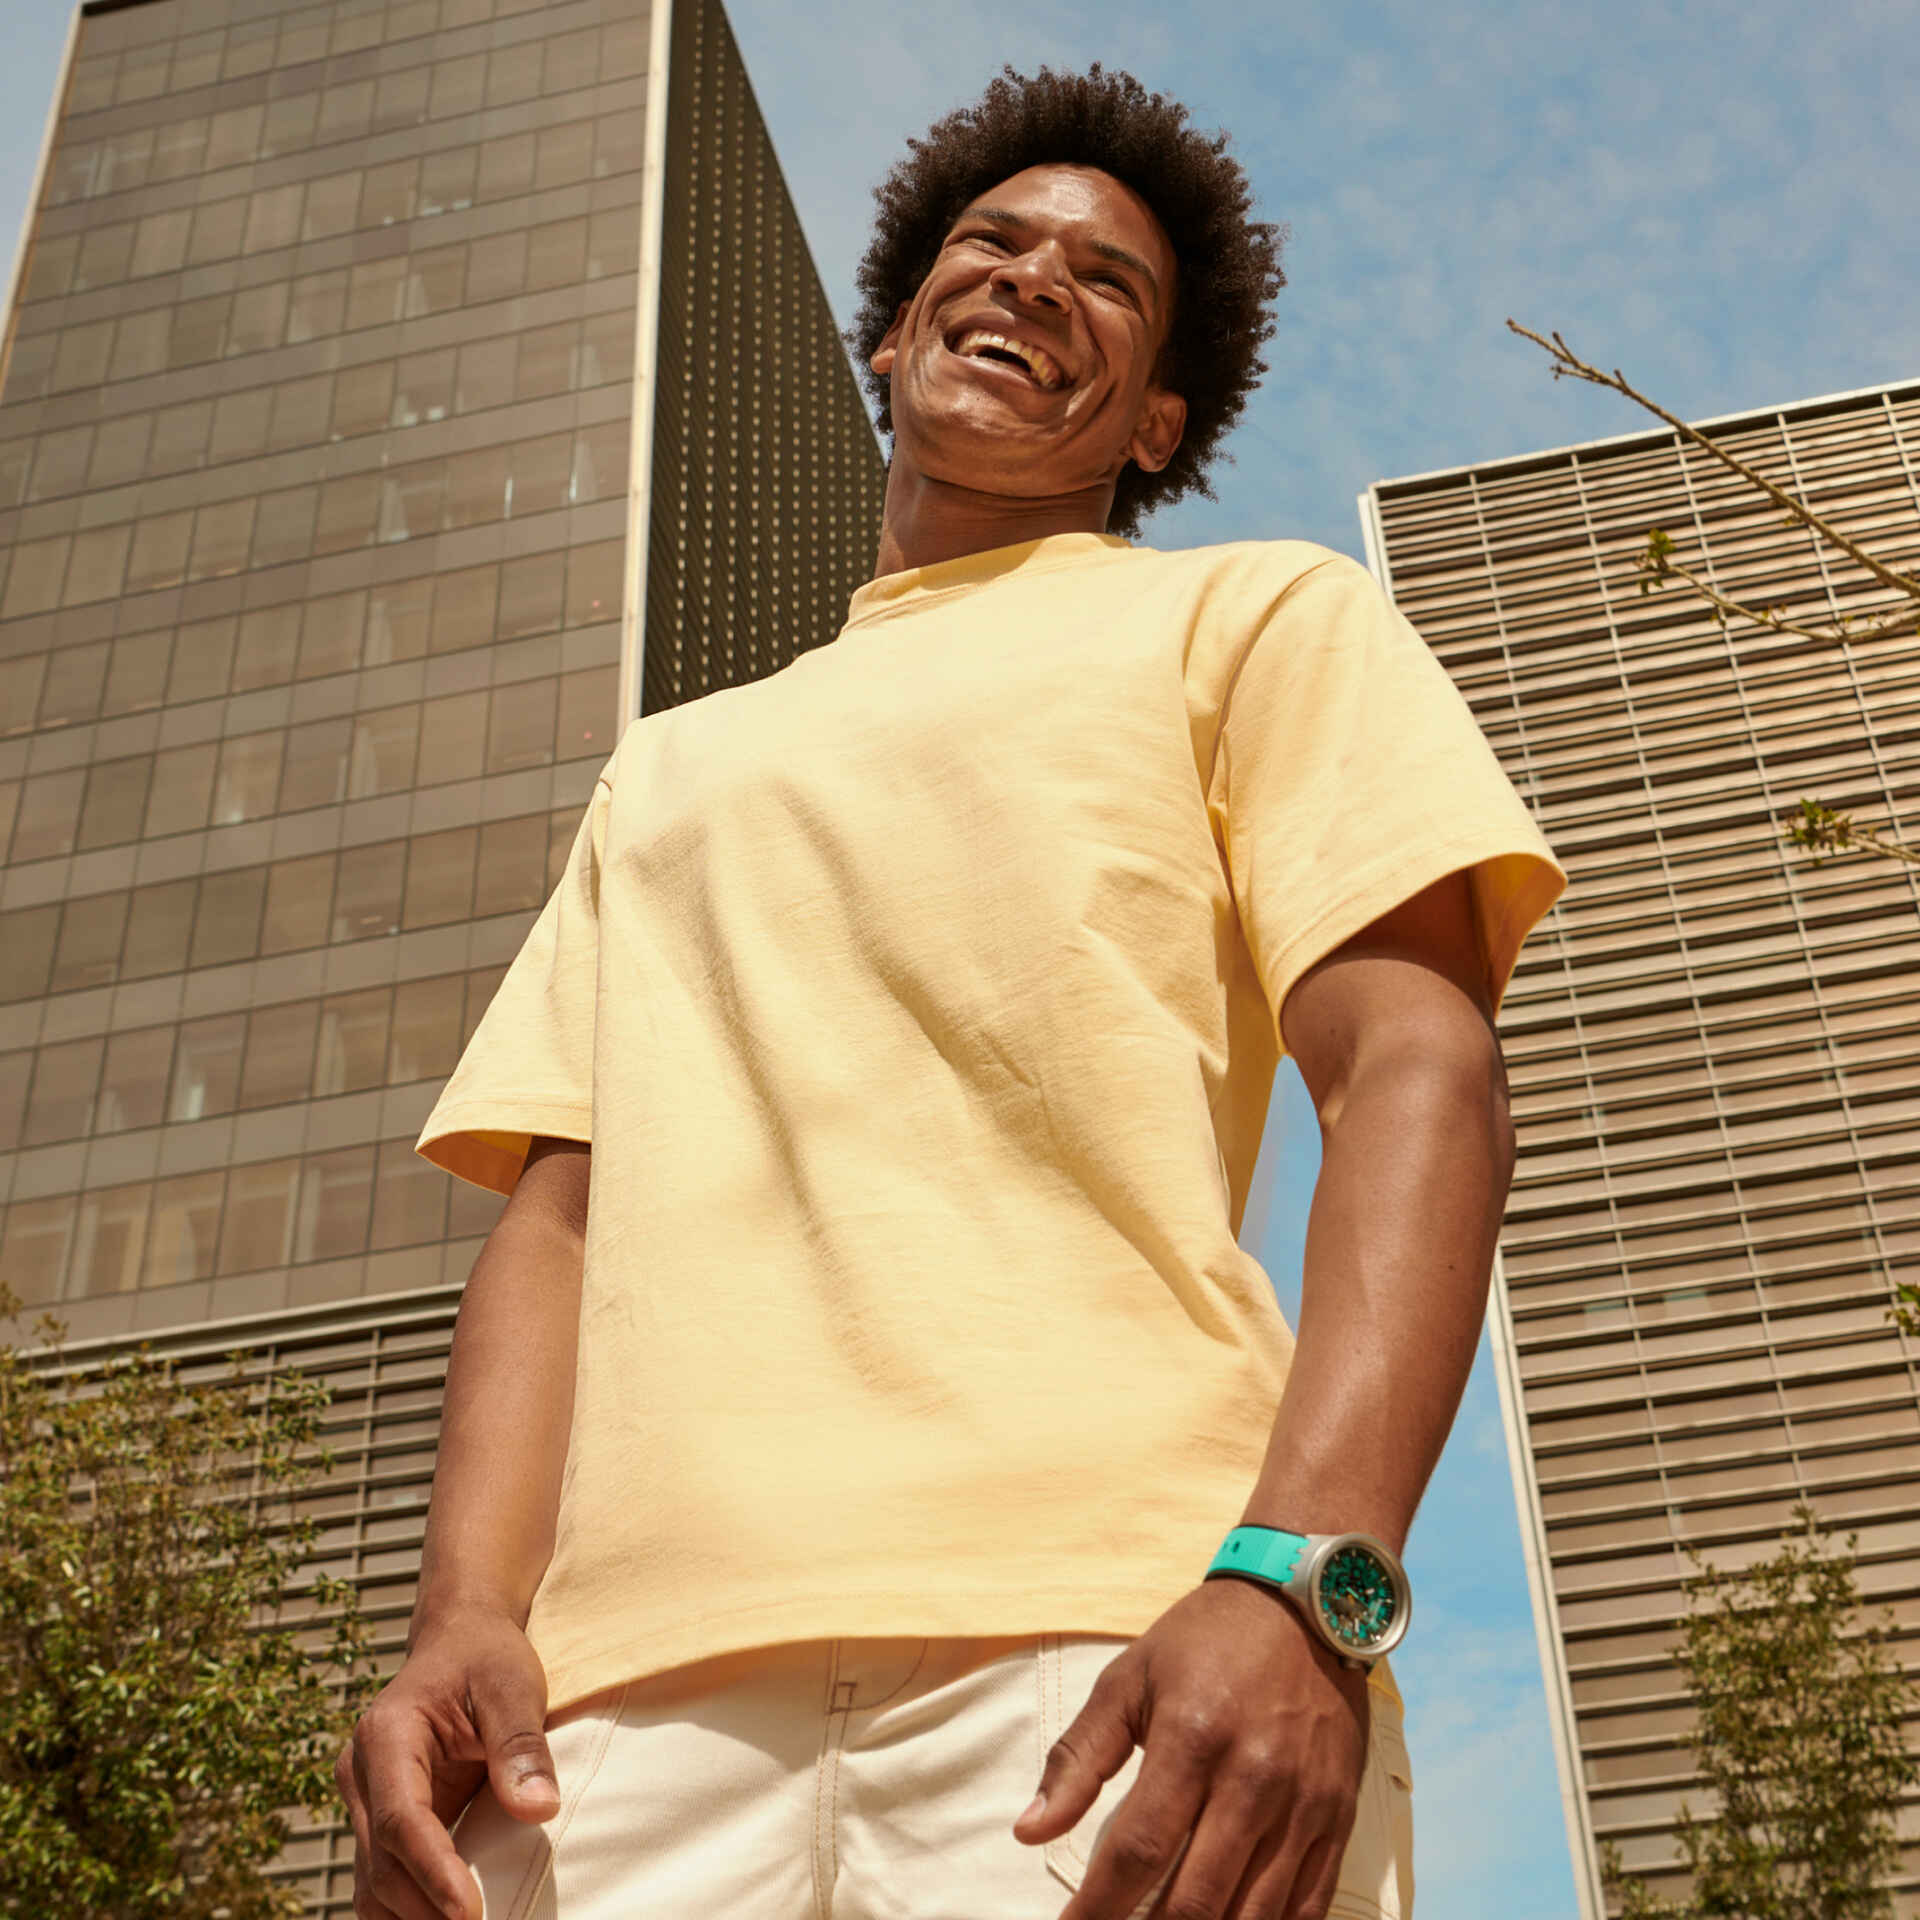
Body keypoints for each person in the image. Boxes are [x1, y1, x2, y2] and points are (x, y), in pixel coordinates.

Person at [337, 63, 1565, 1920]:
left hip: (1114, 1646)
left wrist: (1305, 1578)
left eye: (1107, 279)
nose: (1035, 277)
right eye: (992, 245)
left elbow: (1413, 1066)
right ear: (898, 330)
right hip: (609, 1728)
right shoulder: (669, 769)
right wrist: (461, 1619)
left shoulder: (1253, 619)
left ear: (1155, 423)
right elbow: (562, 1219)